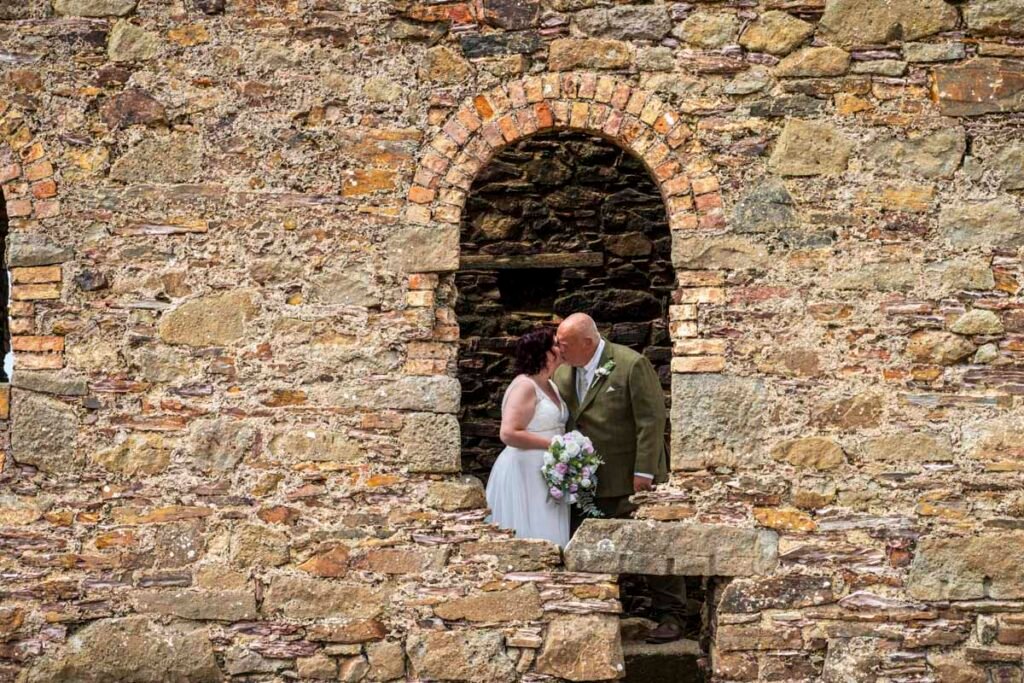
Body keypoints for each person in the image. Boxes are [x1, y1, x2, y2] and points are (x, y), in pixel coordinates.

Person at [554, 312, 690, 643]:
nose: (558, 348)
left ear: (587, 342)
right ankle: (595, 614)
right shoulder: (561, 372)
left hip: (631, 478)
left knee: (653, 545)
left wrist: (644, 472)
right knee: (586, 548)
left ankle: (673, 615)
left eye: (564, 343)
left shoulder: (631, 364)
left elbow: (651, 420)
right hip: (585, 480)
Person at [485, 327, 570, 547]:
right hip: (526, 470)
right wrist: (553, 444)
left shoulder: (550, 384)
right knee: (532, 530)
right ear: (544, 353)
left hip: (549, 469)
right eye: (555, 344)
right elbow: (509, 433)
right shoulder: (525, 385)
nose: (561, 348)